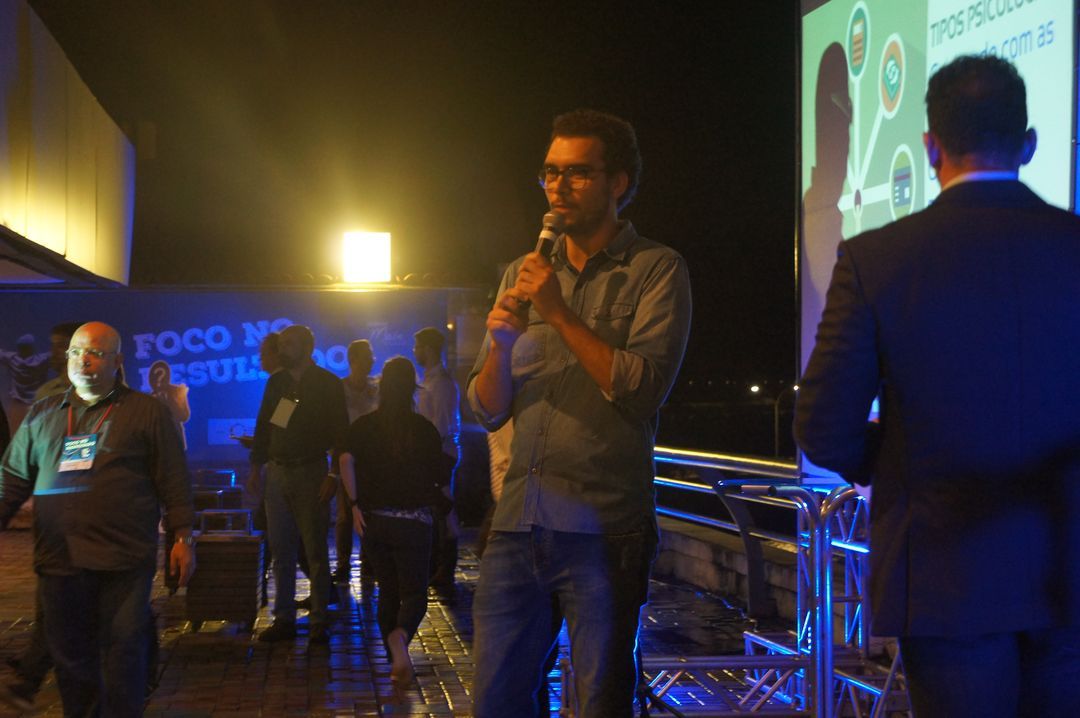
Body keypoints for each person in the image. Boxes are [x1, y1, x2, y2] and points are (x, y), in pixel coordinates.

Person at [794, 55, 1080, 717]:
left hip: (943, 577)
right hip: (1069, 570)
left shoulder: (876, 258)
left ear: (929, 147)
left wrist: (898, 463)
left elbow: (823, 425)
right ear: (1029, 143)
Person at [467, 108, 692, 716]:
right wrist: (501, 348)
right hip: (518, 524)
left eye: (578, 173)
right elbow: (486, 410)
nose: (558, 187)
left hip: (603, 531)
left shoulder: (656, 269)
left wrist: (559, 313)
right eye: (550, 172)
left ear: (618, 182)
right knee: (495, 701)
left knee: (600, 702)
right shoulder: (522, 273)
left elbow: (642, 389)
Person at [0, 321, 196, 716]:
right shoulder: (44, 413)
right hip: (60, 560)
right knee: (71, 659)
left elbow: (173, 478)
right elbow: (12, 478)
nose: (83, 361)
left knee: (122, 654)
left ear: (117, 361)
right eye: (76, 352)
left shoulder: (146, 412)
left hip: (123, 560)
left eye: (95, 353)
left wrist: (183, 538)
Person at [339, 356, 445, 699]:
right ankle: (401, 638)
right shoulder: (424, 429)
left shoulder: (365, 426)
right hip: (414, 522)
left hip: (375, 520)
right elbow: (440, 474)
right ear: (412, 387)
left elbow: (344, 459)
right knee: (414, 594)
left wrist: (354, 503)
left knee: (387, 590)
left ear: (382, 386)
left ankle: (393, 659)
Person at [247, 324, 348, 644]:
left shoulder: (327, 383)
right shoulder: (277, 383)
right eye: (281, 344)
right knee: (282, 549)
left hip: (311, 470)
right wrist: (256, 468)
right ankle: (284, 618)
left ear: (306, 347)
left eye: (288, 344)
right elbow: (266, 425)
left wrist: (333, 475)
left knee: (316, 549)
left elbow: (341, 432)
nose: (282, 349)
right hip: (278, 472)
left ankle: (319, 619)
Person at [412, 327, 460, 602]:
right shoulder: (431, 380)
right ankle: (440, 567)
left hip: (440, 453)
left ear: (427, 349)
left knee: (445, 508)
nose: (415, 352)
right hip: (435, 452)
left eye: (417, 347)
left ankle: (446, 568)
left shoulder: (440, 383)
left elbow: (440, 424)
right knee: (439, 508)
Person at [335, 339, 379, 583]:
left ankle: (368, 561)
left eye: (371, 357)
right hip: (348, 454)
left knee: (368, 509)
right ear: (353, 360)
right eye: (367, 357)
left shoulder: (376, 387)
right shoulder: (341, 389)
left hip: (372, 457)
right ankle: (343, 564)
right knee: (344, 514)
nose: (371, 361)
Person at [148, 360, 192, 450]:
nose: (159, 381)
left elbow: (184, 417)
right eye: (156, 377)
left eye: (162, 377)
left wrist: (179, 401)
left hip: (177, 443)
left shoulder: (177, 392)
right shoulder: (149, 399)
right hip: (159, 445)